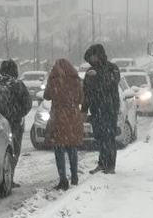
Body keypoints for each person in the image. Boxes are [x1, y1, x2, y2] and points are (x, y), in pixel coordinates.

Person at [0, 59, 32, 179]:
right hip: (14, 124)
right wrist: (18, 114)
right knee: (13, 151)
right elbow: (27, 104)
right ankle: (9, 178)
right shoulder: (18, 85)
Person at [44, 58, 84, 190]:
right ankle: (74, 176)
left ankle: (63, 179)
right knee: (72, 147)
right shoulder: (76, 80)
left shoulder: (54, 80)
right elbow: (81, 98)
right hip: (73, 117)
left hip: (58, 117)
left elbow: (46, 96)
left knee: (59, 148)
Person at [81, 44, 121, 174]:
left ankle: (110, 165)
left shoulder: (112, 68)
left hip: (109, 109)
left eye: (92, 57)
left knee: (109, 137)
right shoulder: (89, 72)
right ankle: (102, 163)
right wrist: (84, 109)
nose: (91, 61)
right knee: (99, 137)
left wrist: (98, 75)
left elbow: (112, 83)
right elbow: (86, 92)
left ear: (98, 55)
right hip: (96, 109)